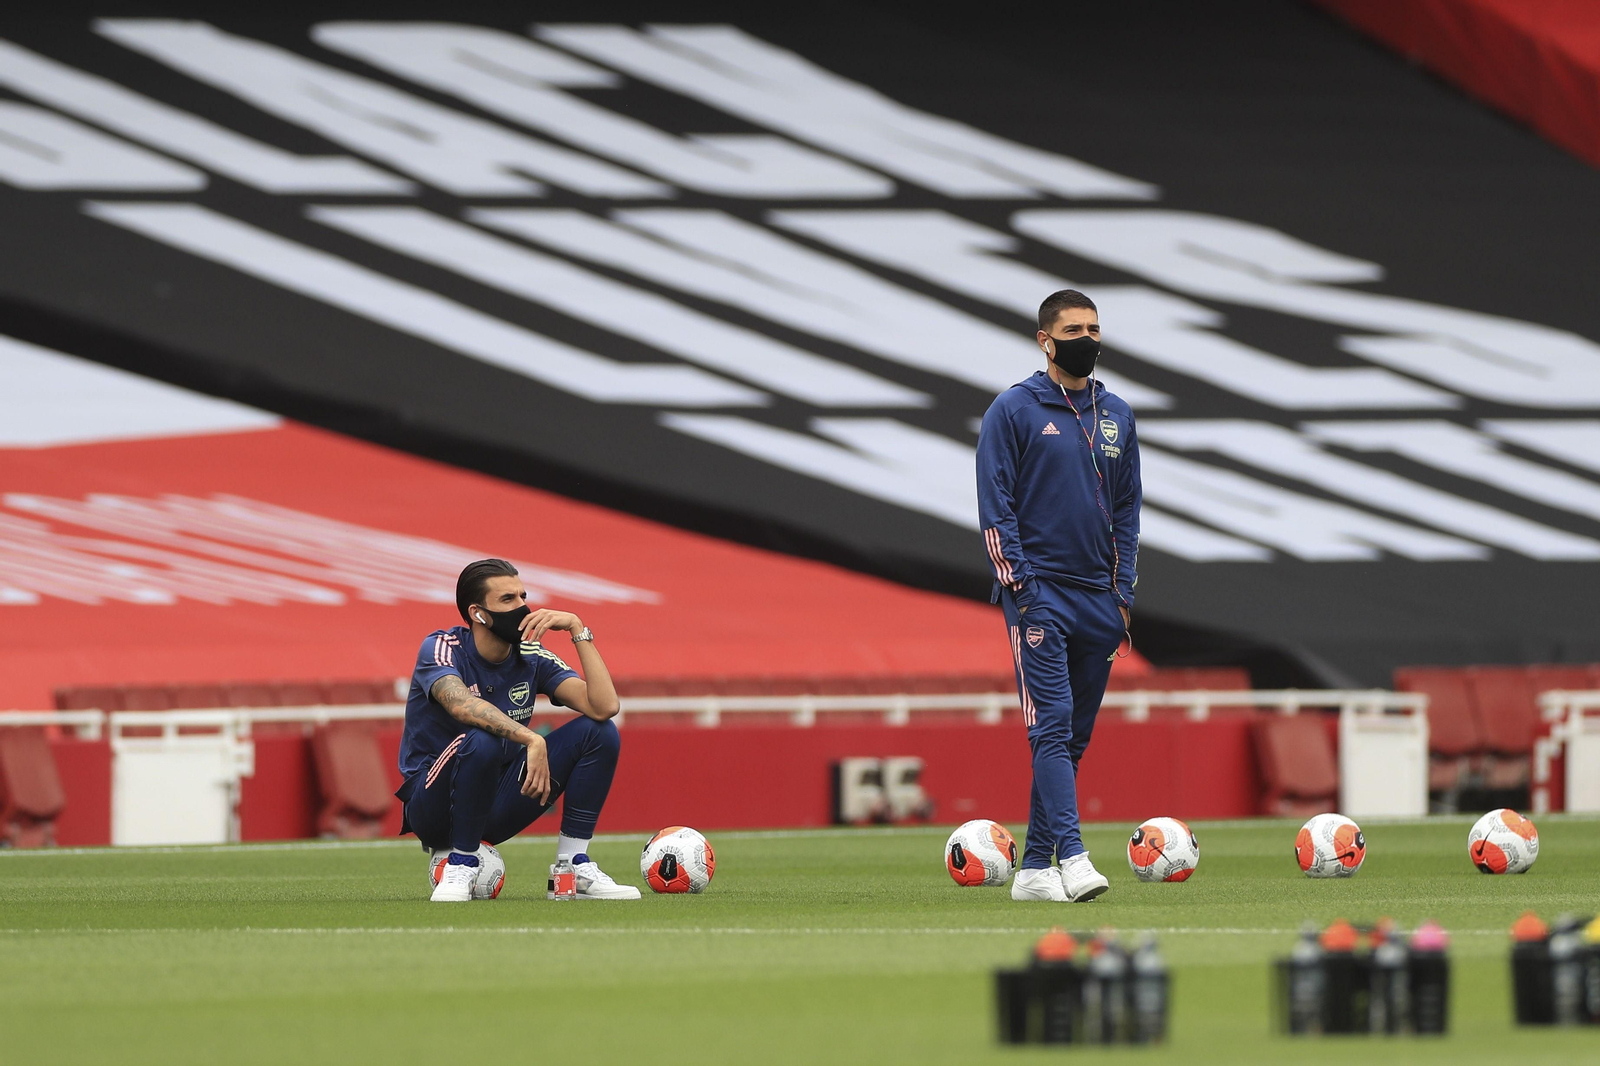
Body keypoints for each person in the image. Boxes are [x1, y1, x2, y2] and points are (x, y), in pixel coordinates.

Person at [976, 289, 1142, 903]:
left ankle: (1033, 870)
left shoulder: (1117, 414)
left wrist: (1122, 593)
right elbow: (996, 506)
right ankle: (1073, 857)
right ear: (1046, 340)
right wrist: (1022, 587)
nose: (1088, 338)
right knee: (1049, 728)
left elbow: (1127, 508)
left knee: (1073, 737)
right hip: (1040, 593)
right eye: (1075, 328)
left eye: (1095, 328)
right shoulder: (1014, 410)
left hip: (1099, 598)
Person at [398, 558, 640, 901]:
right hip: (433, 806)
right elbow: (459, 704)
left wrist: (577, 629)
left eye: (523, 596)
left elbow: (604, 706)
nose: (523, 607)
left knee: (599, 732)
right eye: (508, 599)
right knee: (482, 739)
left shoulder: (530, 655)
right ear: (478, 613)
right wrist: (529, 738)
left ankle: (572, 867)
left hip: (495, 803)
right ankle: (462, 865)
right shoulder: (442, 647)